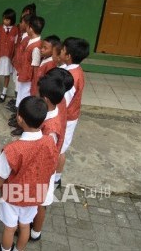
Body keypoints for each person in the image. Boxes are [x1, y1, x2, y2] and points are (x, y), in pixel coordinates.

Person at [0, 96, 58, 251]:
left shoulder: (13, 149)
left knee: (9, 228)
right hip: (36, 194)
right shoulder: (49, 142)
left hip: (13, 195)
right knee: (25, 225)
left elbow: (1, 175)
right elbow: (52, 165)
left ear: (19, 119)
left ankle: (5, 250)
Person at [30, 74, 67, 242]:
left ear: (44, 98)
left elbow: (45, 153)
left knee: (40, 202)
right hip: (43, 168)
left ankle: (35, 232)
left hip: (43, 170)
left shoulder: (50, 128)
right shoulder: (53, 110)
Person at [57, 37, 89, 187]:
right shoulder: (74, 69)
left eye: (62, 50)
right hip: (68, 116)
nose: (60, 52)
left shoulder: (70, 77)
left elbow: (63, 102)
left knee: (59, 149)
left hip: (66, 118)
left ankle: (56, 179)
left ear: (68, 56)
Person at [11, 15, 45, 136]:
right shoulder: (30, 41)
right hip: (22, 76)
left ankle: (23, 126)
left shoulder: (36, 47)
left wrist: (34, 86)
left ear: (30, 28)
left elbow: (35, 68)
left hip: (28, 80)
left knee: (25, 102)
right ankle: (18, 120)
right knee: (20, 99)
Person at [0, 8, 18, 103]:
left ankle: (4, 93)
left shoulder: (16, 30)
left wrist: (14, 57)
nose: (5, 21)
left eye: (7, 19)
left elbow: (16, 45)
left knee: (7, 74)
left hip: (9, 57)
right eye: (4, 19)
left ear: (12, 20)